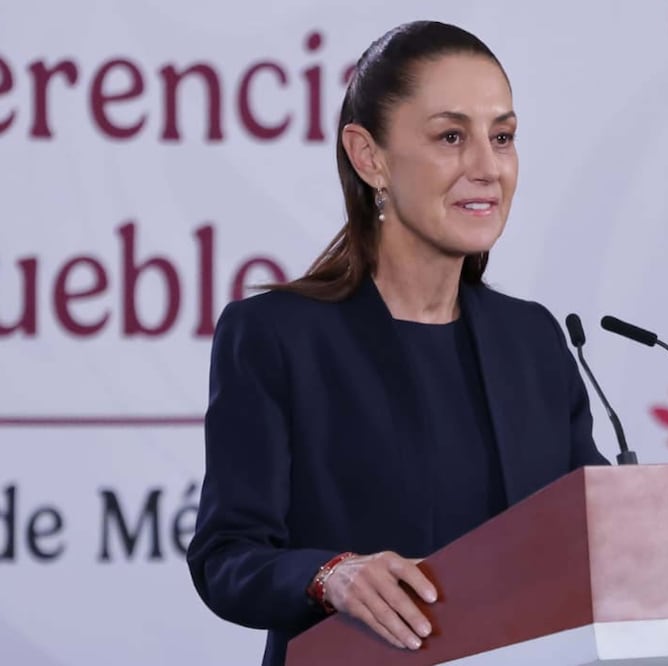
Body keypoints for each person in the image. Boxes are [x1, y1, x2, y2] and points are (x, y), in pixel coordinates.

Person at [186, 20, 608, 666]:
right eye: (450, 137)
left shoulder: (533, 340)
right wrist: (329, 576)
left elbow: (598, 537)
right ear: (369, 157)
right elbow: (227, 558)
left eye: (502, 137)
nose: (487, 168)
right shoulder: (276, 336)